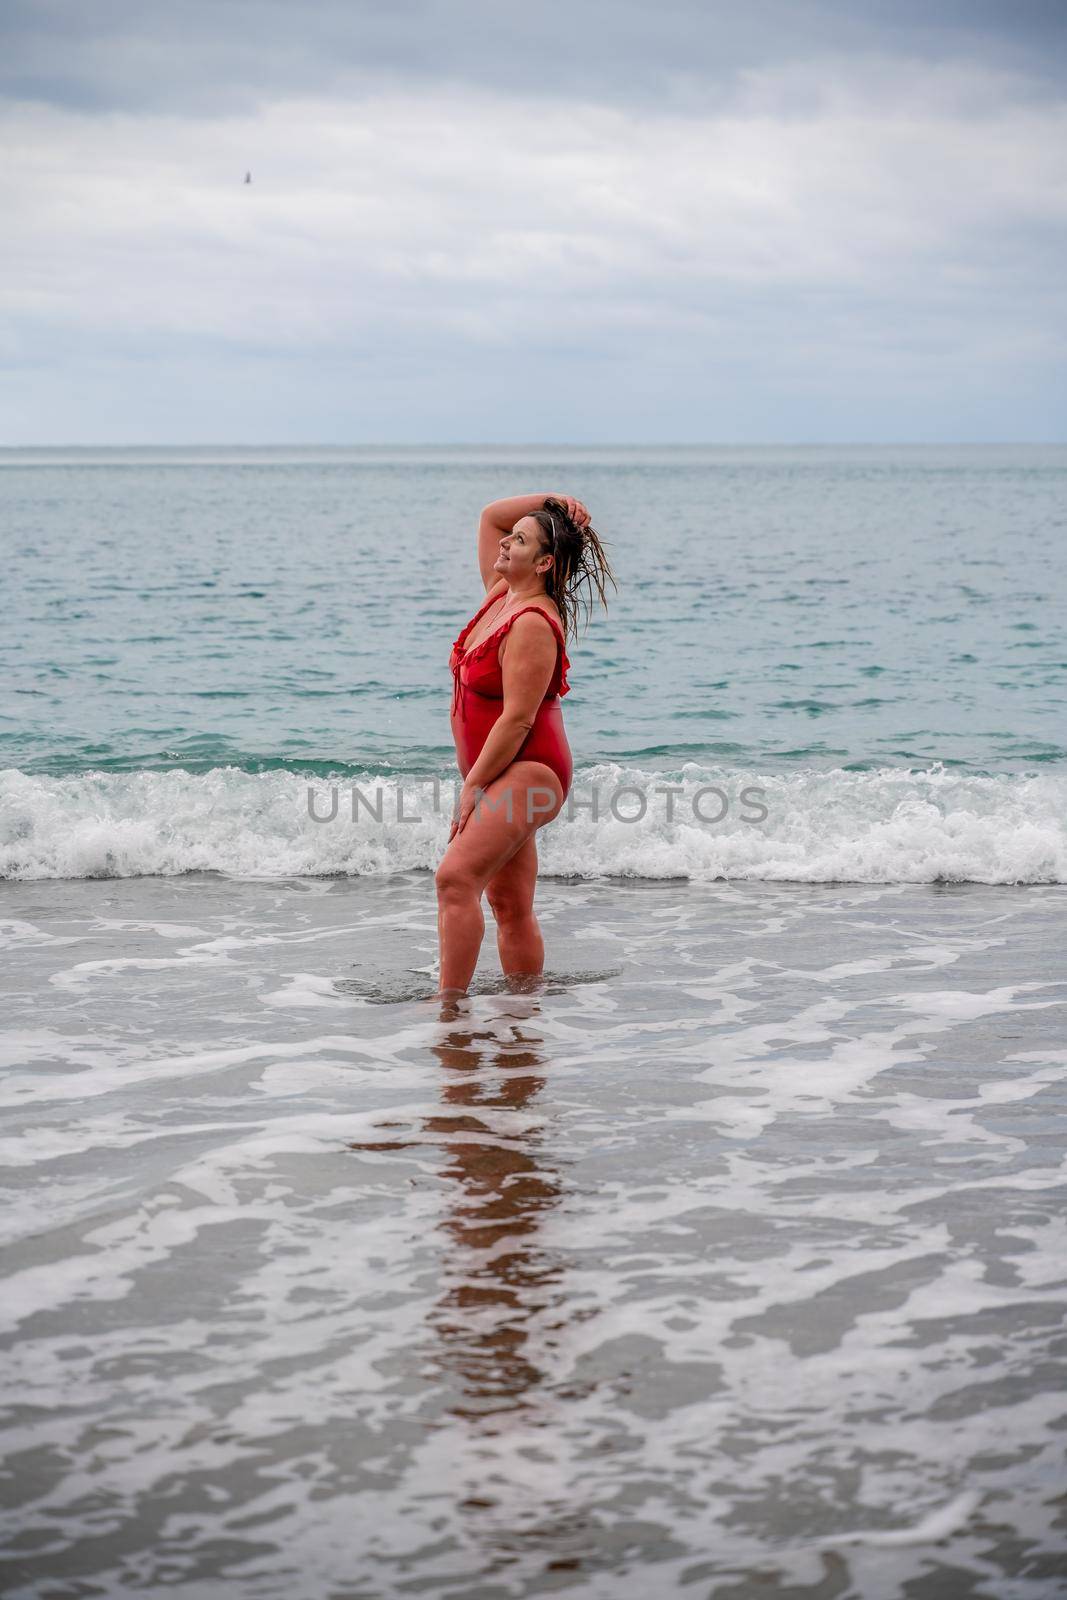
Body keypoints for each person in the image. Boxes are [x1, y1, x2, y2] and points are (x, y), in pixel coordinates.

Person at [435, 494, 615, 999]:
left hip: (531, 769)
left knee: (454, 879)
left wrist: (472, 786)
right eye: (509, 536)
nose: (504, 541)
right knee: (510, 907)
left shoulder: (533, 621)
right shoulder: (500, 594)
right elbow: (490, 515)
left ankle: (448, 1010)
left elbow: (517, 719)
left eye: (519, 540)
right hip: (501, 770)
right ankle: (524, 1015)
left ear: (544, 562)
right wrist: (557, 501)